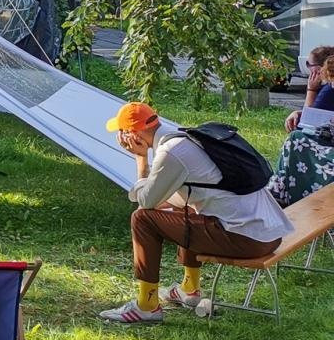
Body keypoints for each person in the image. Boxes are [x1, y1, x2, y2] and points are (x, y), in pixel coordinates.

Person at [99, 102, 292, 324]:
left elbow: (146, 202)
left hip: (248, 240)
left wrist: (140, 160)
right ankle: (189, 290)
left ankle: (146, 305)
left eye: (122, 132)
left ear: (133, 134)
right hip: (269, 234)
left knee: (142, 219)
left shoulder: (171, 152)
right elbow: (177, 198)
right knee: (187, 208)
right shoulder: (187, 138)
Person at [269, 47, 334, 206]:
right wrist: (300, 112)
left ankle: (280, 191)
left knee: (296, 140)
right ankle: (279, 190)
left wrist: (311, 90)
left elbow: (306, 125)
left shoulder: (327, 92)